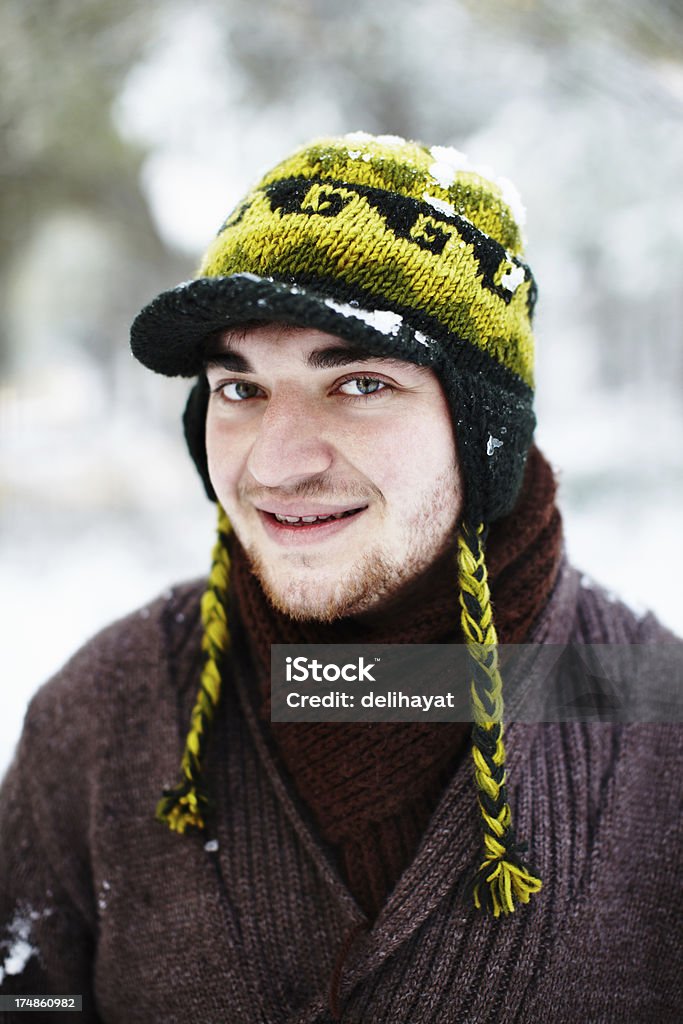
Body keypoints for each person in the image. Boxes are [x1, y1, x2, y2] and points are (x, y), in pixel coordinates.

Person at [0, 133, 680, 1023]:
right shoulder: (107, 711)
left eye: (358, 383)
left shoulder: (651, 720)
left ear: (483, 435)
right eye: (239, 388)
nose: (276, 466)